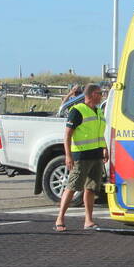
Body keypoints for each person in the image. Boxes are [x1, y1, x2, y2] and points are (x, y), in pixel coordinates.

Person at [55, 83, 106, 231]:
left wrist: (105, 148)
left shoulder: (98, 111)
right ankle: (60, 218)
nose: (102, 96)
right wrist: (68, 155)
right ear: (91, 95)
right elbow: (67, 135)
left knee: (91, 188)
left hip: (96, 155)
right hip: (81, 156)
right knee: (72, 186)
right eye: (100, 93)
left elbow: (99, 133)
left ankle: (88, 220)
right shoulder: (77, 110)